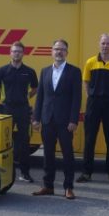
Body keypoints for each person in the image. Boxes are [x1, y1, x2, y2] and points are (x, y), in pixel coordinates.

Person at [31, 39, 82, 200]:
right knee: (48, 154)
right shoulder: (45, 71)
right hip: (47, 119)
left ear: (67, 53)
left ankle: (68, 187)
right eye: (56, 49)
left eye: (62, 49)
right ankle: (48, 186)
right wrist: (36, 118)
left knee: (68, 154)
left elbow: (77, 98)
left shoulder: (74, 71)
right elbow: (40, 96)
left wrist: (74, 120)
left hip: (66, 121)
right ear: (52, 52)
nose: (59, 52)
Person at [77, 34, 109, 185]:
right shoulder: (90, 62)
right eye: (103, 43)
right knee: (89, 140)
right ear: (99, 44)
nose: (105, 46)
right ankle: (86, 173)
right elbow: (86, 81)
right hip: (94, 103)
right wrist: (90, 95)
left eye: (108, 43)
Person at [0, 41, 38, 182]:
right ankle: (1, 172)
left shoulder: (29, 71)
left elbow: (35, 88)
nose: (16, 54)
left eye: (19, 51)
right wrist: (4, 98)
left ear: (23, 54)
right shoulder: (2, 71)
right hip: (6, 109)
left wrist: (25, 97)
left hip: (23, 109)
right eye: (14, 51)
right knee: (3, 141)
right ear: (10, 53)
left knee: (24, 142)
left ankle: (25, 173)